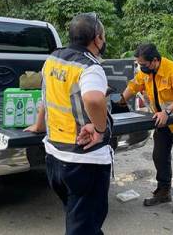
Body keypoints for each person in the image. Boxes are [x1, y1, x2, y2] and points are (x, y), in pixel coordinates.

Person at [24, 13, 112, 235]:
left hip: (55, 158)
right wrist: (100, 129)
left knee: (82, 220)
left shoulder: (53, 59)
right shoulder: (90, 67)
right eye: (102, 36)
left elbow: (46, 96)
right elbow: (93, 99)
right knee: (83, 226)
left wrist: (39, 126)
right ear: (97, 38)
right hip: (84, 161)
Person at [119, 43, 173, 214]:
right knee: (159, 156)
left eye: (143, 65)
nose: (141, 68)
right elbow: (133, 86)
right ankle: (163, 191)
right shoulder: (145, 72)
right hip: (161, 121)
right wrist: (120, 102)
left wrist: (166, 112)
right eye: (139, 64)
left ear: (154, 61)